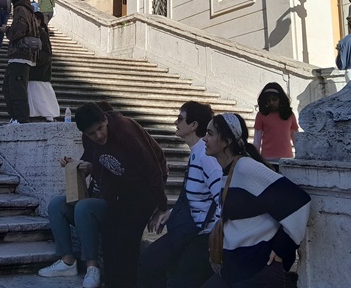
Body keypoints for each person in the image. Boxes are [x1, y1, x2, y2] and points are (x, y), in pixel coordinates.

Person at [201, 113, 311, 288]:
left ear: (227, 141)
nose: (204, 139)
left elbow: (298, 202)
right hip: (236, 268)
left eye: (210, 133)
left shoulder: (247, 168)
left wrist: (283, 248)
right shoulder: (229, 171)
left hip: (257, 270)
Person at [68, 103, 168, 288]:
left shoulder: (125, 131)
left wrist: (160, 206)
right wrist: (78, 166)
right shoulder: (88, 139)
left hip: (145, 186)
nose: (98, 136)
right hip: (121, 189)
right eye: (91, 133)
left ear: (105, 120)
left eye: (100, 128)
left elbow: (153, 169)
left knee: (127, 238)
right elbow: (93, 160)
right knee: (109, 235)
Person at [140, 101, 222, 288]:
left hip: (201, 236)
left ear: (193, 125)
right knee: (152, 262)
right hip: (190, 230)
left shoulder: (205, 156)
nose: (176, 122)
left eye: (180, 118)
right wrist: (172, 213)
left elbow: (222, 197)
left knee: (161, 268)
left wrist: (215, 234)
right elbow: (196, 194)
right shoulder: (197, 153)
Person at [1, 0, 41, 124]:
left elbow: (19, 30)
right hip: (23, 56)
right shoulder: (29, 10)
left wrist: (7, 30)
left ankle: (20, 118)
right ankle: (16, 117)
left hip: (20, 55)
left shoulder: (20, 9)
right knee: (8, 86)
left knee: (15, 88)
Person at [253, 83, 298, 167]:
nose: (271, 103)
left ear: (281, 99)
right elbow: (257, 139)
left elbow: (295, 137)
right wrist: (256, 158)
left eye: (274, 99)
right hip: (267, 160)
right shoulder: (261, 115)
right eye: (268, 100)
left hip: (286, 159)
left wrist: (300, 154)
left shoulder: (289, 115)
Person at [27, 12, 60, 121]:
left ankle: (48, 114)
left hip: (39, 69)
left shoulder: (42, 34)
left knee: (41, 94)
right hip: (35, 69)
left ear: (39, 21)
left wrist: (35, 57)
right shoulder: (35, 33)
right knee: (36, 94)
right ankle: (39, 114)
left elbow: (47, 53)